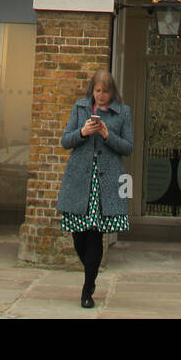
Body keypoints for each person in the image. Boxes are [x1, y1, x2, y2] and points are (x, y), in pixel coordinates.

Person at [57, 69, 133, 308]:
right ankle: (91, 276)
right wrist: (83, 132)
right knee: (78, 235)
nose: (101, 96)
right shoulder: (80, 108)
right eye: (98, 91)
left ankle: (87, 289)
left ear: (112, 93)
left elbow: (128, 147)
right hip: (80, 179)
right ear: (93, 91)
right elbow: (65, 140)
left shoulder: (123, 112)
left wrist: (107, 134)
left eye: (105, 92)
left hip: (107, 182)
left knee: (95, 233)